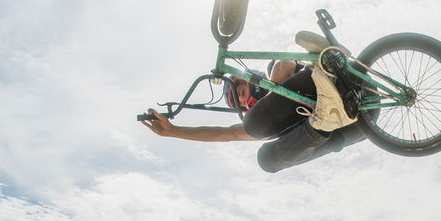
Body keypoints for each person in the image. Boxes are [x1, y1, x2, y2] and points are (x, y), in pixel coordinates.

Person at [141, 32, 363, 172]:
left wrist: (273, 88)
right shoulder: (267, 125)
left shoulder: (275, 73)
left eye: (240, 91)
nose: (243, 99)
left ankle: (328, 60)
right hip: (356, 124)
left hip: (343, 85)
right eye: (240, 102)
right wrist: (173, 131)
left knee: (254, 124)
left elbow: (284, 66)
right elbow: (225, 134)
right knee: (266, 160)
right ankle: (323, 122)